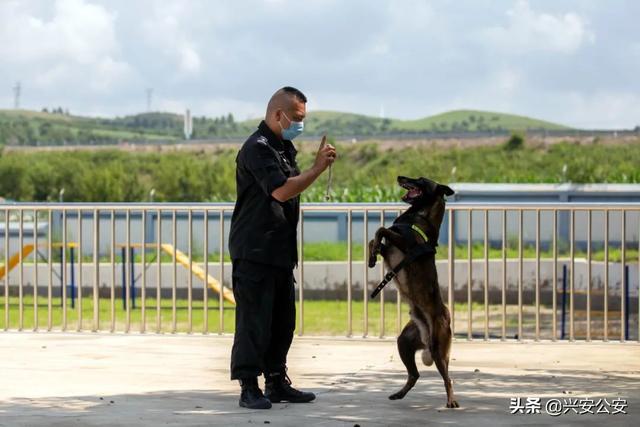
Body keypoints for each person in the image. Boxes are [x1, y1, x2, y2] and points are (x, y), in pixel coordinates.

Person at [228, 86, 336, 409]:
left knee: (281, 321)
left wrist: (315, 167)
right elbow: (280, 191)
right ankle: (249, 387)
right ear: (279, 114)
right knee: (253, 322)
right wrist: (316, 169)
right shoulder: (257, 148)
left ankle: (276, 381)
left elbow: (291, 184)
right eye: (297, 118)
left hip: (279, 250)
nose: (299, 125)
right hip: (254, 250)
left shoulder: (283, 147)